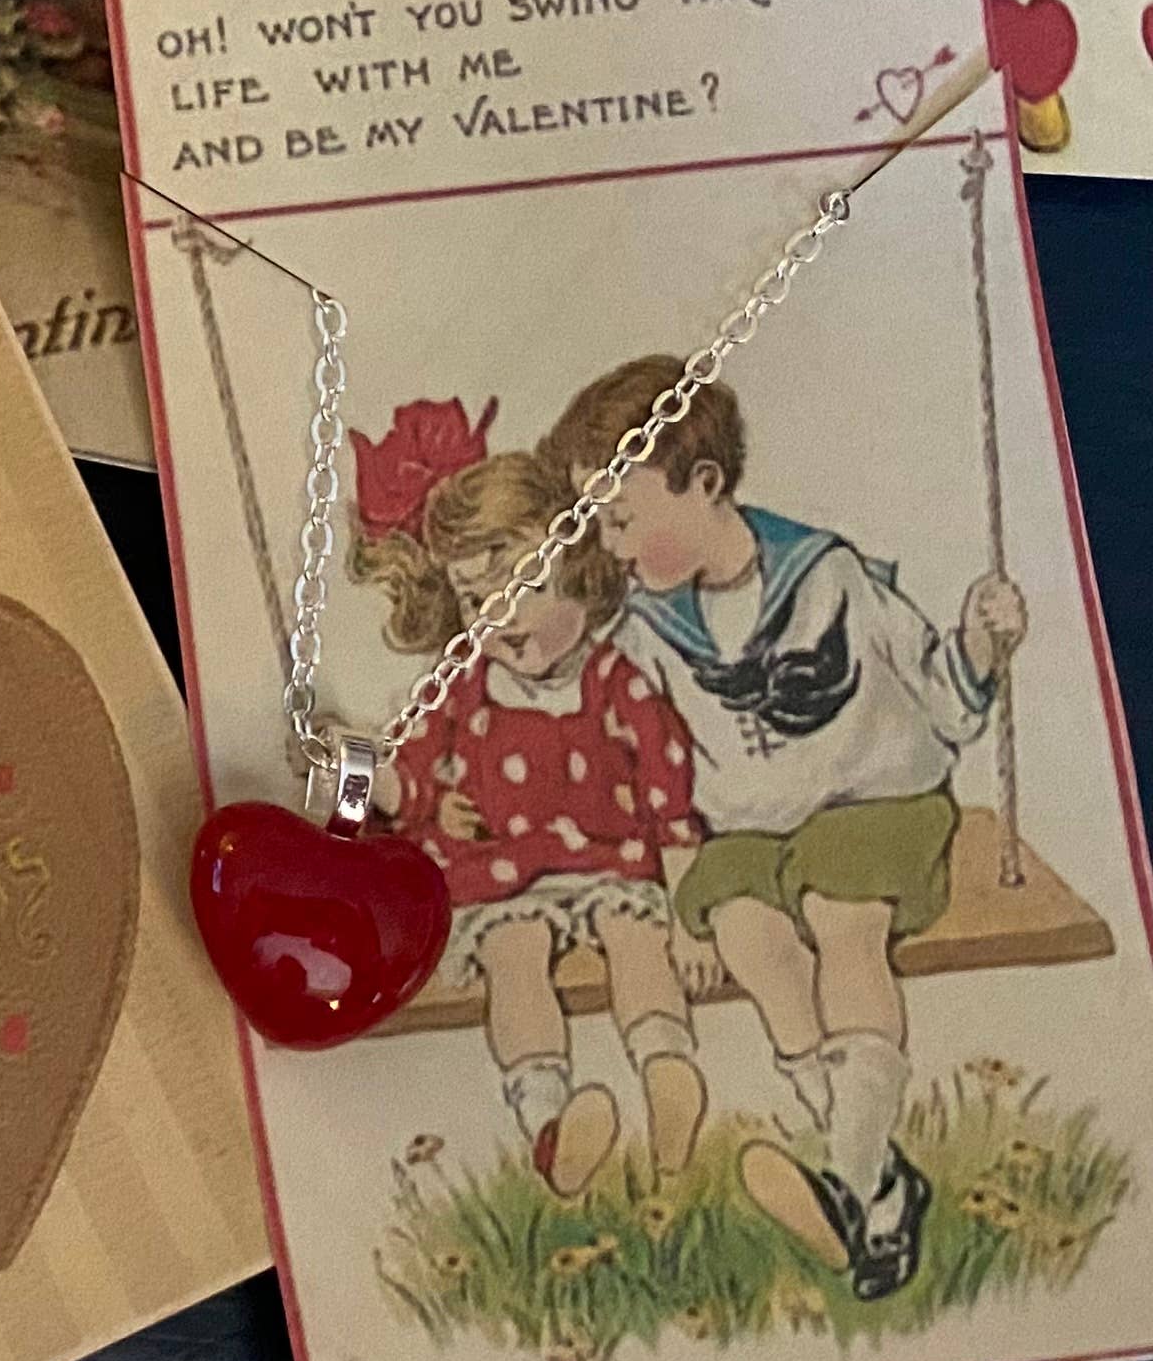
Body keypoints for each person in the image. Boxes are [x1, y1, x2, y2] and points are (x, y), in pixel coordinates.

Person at [540, 359, 1028, 1301]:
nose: (611, 544)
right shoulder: (648, 627)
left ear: (704, 484)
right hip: (748, 835)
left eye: (622, 518)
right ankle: (873, 1185)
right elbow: (635, 754)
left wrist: (982, 641)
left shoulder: (828, 576)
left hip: (877, 802)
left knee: (840, 915)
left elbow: (945, 697)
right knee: (748, 936)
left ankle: (849, 1173)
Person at [349, 407, 709, 1194]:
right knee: (514, 962)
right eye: (477, 601)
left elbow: (668, 797)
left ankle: (668, 1074)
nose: (501, 619)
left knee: (638, 943)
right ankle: (552, 1125)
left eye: (524, 588)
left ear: (580, 573)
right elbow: (409, 781)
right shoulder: (462, 688)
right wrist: (350, 771)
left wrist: (688, 918)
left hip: (612, 865)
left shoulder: (616, 683)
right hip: (502, 879)